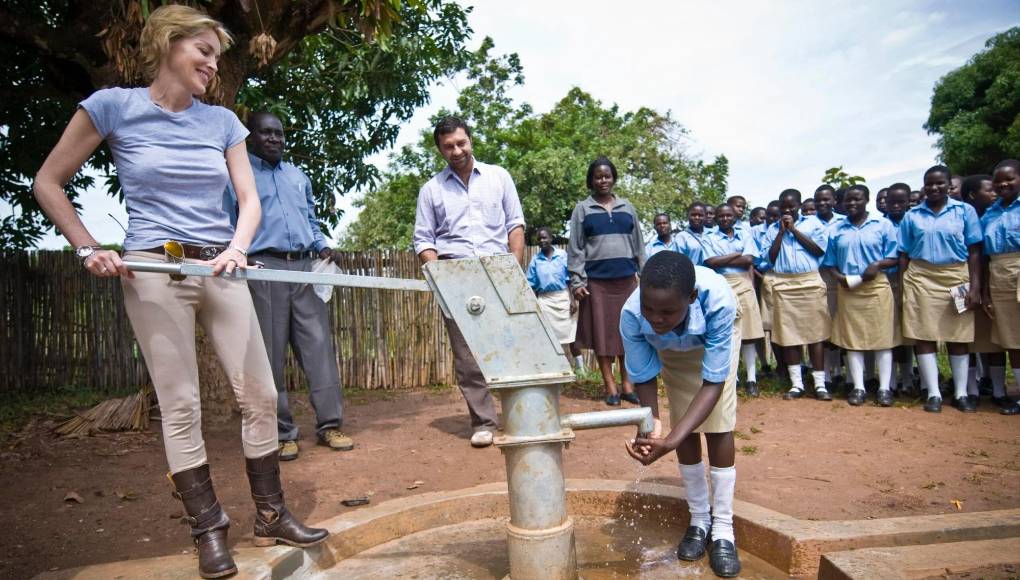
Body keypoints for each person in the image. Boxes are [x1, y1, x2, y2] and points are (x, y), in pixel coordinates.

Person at [31, 6, 327, 577]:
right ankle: (209, 528)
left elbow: (250, 201)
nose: (213, 66)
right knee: (181, 403)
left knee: (261, 395)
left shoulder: (223, 123)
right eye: (204, 52)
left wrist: (238, 248)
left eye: (216, 57)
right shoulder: (114, 106)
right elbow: (48, 182)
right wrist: (88, 246)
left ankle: (270, 513)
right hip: (152, 269)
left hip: (219, 266)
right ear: (168, 44)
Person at [225, 111, 351, 461]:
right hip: (264, 267)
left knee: (319, 349)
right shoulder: (240, 175)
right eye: (266, 133)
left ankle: (330, 425)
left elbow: (311, 219)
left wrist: (321, 243)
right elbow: (228, 221)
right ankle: (283, 434)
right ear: (251, 137)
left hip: (304, 270)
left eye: (279, 134)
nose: (274, 139)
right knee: (270, 355)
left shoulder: (298, 175)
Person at [622, 251, 742, 578]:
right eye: (650, 308)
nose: (656, 318)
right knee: (681, 417)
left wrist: (671, 441)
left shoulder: (718, 302)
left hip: (712, 341)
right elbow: (643, 373)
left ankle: (722, 530)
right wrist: (653, 430)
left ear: (691, 297)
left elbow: (713, 382)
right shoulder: (633, 315)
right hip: (673, 348)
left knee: (717, 424)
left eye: (667, 311)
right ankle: (699, 520)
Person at [413, 116, 526, 447]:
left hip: (497, 270)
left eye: (461, 143)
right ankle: (484, 422)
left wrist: (512, 268)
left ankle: (519, 416)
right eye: (448, 146)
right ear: (440, 150)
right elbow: (423, 240)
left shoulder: (498, 177)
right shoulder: (431, 190)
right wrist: (443, 278)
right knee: (467, 355)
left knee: (509, 347)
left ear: (470, 141)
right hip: (456, 275)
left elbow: (515, 225)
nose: (456, 150)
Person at [898, 165, 983, 413]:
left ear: (948, 185)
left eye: (939, 183)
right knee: (924, 335)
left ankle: (960, 393)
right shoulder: (912, 216)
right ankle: (933, 393)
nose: (934, 188)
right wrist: (903, 288)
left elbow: (975, 251)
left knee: (958, 336)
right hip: (921, 277)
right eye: (929, 184)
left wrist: (975, 287)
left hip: (956, 275)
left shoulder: (964, 211)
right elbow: (903, 253)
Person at [568, 157, 645, 406]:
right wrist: (577, 281)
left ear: (614, 178)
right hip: (597, 283)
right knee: (603, 336)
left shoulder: (627, 207)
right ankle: (610, 386)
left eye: (607, 176)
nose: (603, 180)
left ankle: (627, 385)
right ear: (591, 180)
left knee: (628, 334)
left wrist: (646, 276)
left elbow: (639, 245)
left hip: (627, 281)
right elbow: (576, 248)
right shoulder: (583, 209)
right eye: (598, 177)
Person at [820, 185, 899, 406]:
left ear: (866, 200)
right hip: (849, 288)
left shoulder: (883, 225)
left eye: (857, 199)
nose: (852, 203)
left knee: (883, 338)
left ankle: (884, 388)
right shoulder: (837, 230)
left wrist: (878, 264)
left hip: (877, 286)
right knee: (852, 339)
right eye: (848, 200)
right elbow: (830, 263)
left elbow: (895, 256)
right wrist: (840, 278)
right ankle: (858, 387)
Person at [765, 189, 832, 400]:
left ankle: (820, 384)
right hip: (784, 284)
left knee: (816, 335)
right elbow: (771, 258)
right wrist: (781, 232)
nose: (787, 210)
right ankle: (797, 384)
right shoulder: (772, 230)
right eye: (783, 207)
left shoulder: (814, 224)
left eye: (791, 206)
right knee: (789, 336)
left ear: (800, 206)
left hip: (810, 282)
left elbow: (819, 251)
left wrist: (794, 231)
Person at [704, 204, 765, 397]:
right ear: (716, 218)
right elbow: (710, 262)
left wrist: (725, 259)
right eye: (720, 216)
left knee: (749, 334)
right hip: (722, 284)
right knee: (727, 333)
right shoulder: (709, 237)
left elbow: (749, 261)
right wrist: (737, 254)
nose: (724, 218)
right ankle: (733, 378)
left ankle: (751, 379)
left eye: (728, 215)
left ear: (734, 217)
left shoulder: (744, 233)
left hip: (743, 283)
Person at [961, 174, 1007, 407]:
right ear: (972, 195)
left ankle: (999, 390)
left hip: (995, 281)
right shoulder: (966, 217)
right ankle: (971, 389)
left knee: (994, 338)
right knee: (965, 336)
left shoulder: (997, 216)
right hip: (962, 283)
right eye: (989, 190)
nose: (995, 193)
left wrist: (983, 289)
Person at [982, 160, 1020, 415]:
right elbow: (984, 256)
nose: (1003, 184)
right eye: (998, 181)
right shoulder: (989, 215)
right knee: (1013, 338)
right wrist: (984, 291)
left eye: (1009, 179)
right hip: (999, 274)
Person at [527, 227, 579, 367]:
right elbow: (531, 284)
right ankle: (556, 367)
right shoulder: (535, 260)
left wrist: (572, 300)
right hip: (544, 300)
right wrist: (534, 304)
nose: (542, 240)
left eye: (544, 237)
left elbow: (569, 280)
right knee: (549, 337)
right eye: (539, 238)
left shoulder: (562, 255)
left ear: (551, 238)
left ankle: (581, 369)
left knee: (571, 335)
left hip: (563, 297)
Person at [884, 184, 917, 394]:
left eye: (901, 202)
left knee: (909, 332)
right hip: (885, 281)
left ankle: (908, 378)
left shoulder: (913, 220)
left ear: (908, 202)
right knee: (890, 331)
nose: (896, 206)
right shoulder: (879, 224)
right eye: (891, 202)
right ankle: (892, 380)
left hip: (911, 279)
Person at [815, 185, 846, 389]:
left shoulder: (844, 222)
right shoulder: (807, 223)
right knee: (823, 327)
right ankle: (825, 376)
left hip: (844, 279)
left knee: (842, 327)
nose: (823, 203)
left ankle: (841, 373)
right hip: (819, 278)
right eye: (818, 200)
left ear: (835, 200)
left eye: (827, 199)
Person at [675, 202, 712, 266]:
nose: (697, 217)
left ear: (705, 217)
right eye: (693, 215)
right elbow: (679, 262)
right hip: (693, 274)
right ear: (688, 216)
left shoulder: (712, 234)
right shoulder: (681, 237)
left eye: (700, 215)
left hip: (713, 274)